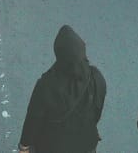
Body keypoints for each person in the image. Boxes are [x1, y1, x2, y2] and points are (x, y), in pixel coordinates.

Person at [18, 25, 105, 153]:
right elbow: (97, 110)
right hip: (86, 144)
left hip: (51, 146)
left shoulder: (46, 85)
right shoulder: (96, 77)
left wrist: (24, 146)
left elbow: (33, 119)